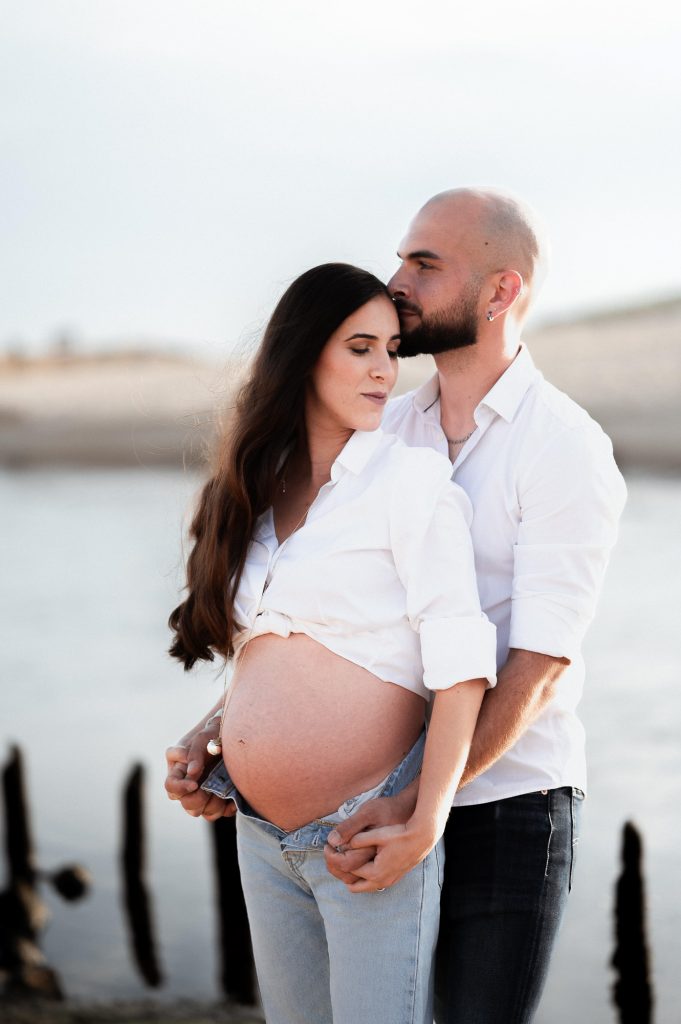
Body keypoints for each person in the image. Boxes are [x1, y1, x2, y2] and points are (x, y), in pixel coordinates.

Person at [321, 189, 628, 1023]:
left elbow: (537, 662)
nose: (394, 283)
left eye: (423, 264)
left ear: (500, 293)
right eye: (400, 259)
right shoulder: (385, 431)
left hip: (508, 813)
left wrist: (426, 798)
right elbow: (325, 608)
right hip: (381, 797)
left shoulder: (563, 446)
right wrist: (221, 734)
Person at [166, 262, 497, 1024]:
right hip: (257, 834)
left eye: (390, 348)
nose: (385, 369)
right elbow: (271, 649)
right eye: (359, 347)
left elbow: (459, 665)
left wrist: (425, 818)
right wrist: (209, 739)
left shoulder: (409, 483)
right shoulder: (251, 490)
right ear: (302, 354)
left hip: (364, 837)